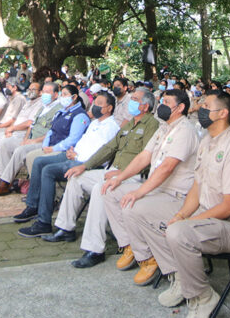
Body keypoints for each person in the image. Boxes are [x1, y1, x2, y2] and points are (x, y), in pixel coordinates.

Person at [130, 91, 230, 318]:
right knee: (140, 210)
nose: (200, 109)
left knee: (178, 231)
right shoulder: (206, 141)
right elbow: (196, 189)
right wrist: (181, 214)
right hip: (207, 217)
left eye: (206, 106)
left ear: (223, 113)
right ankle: (179, 276)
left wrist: (187, 222)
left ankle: (202, 296)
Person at [99, 89, 198, 285]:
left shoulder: (185, 130)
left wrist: (139, 192)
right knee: (110, 191)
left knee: (131, 205)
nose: (161, 105)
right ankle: (130, 245)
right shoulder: (163, 127)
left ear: (180, 108)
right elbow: (144, 156)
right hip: (156, 189)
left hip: (176, 195)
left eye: (167, 102)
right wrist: (120, 178)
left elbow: (167, 168)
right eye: (161, 100)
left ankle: (148, 258)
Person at [53, 89, 160, 267]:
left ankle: (95, 249)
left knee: (100, 188)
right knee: (77, 178)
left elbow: (146, 157)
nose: (130, 102)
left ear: (145, 106)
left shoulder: (152, 125)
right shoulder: (129, 124)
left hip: (131, 177)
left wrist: (122, 172)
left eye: (134, 99)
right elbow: (109, 147)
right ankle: (66, 228)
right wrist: (85, 165)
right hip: (113, 172)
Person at [17, 91, 123, 237]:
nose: (94, 107)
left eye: (99, 104)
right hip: (73, 156)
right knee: (39, 161)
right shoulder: (95, 123)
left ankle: (43, 223)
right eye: (94, 103)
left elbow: (101, 154)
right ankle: (33, 205)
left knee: (48, 171)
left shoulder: (111, 127)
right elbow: (84, 142)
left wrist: (77, 155)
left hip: (85, 163)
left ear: (109, 108)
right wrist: (72, 151)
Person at [0, 82, 62, 195]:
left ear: (55, 94)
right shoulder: (44, 108)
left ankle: (3, 184)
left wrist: (33, 141)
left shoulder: (58, 109)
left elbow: (53, 132)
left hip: (43, 142)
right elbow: (32, 125)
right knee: (6, 143)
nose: (45, 94)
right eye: (44, 92)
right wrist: (26, 139)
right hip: (30, 139)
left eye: (48, 92)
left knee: (20, 150)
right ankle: (5, 179)